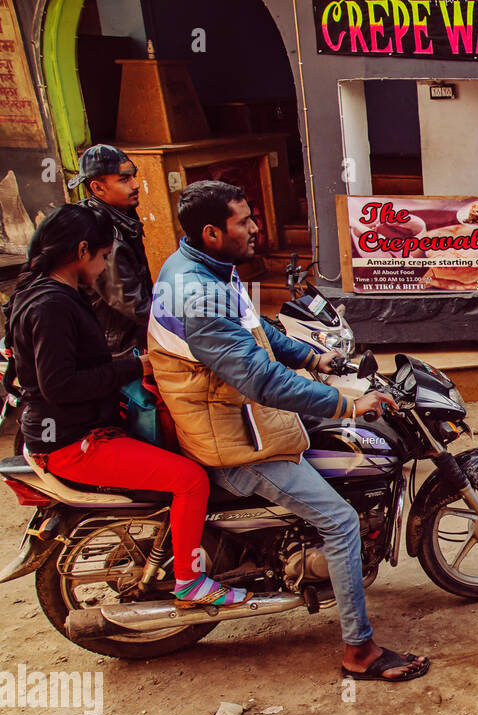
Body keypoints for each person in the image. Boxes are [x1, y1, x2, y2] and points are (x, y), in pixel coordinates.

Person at [147, 180, 429, 683]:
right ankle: (359, 652)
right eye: (243, 221)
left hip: (240, 417)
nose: (256, 228)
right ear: (212, 232)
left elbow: (257, 331)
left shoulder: (201, 268)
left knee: (332, 435)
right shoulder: (199, 294)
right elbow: (257, 378)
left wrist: (313, 355)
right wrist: (349, 402)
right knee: (340, 522)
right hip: (236, 440)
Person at [7, 204, 247, 608]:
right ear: (82, 250)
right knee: (191, 479)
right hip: (75, 442)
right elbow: (59, 385)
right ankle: (189, 583)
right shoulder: (52, 305)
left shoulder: (42, 291)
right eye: (103, 257)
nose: (104, 267)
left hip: (69, 428)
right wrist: (133, 366)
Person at [71, 145, 153, 354]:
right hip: (119, 347)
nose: (135, 185)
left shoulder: (119, 216)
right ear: (98, 188)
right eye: (124, 180)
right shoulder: (103, 236)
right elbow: (132, 303)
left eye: (133, 177)